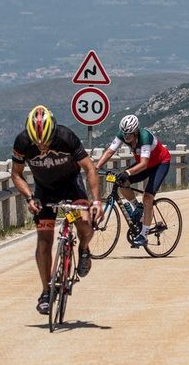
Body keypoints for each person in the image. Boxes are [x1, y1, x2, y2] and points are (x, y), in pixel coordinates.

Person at [11, 105, 102, 315]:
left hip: (71, 185)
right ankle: (45, 291)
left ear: (54, 132)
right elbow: (16, 174)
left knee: (86, 225)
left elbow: (89, 168)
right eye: (37, 143)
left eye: (47, 142)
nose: (42, 147)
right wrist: (29, 197)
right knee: (44, 240)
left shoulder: (66, 137)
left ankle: (84, 249)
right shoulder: (23, 142)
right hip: (44, 190)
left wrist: (96, 201)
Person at [94, 114, 172, 248]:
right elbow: (109, 152)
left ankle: (143, 235)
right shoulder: (122, 134)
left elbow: (144, 163)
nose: (126, 137)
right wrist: (96, 167)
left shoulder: (145, 137)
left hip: (160, 164)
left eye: (129, 134)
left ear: (135, 131)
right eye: (124, 133)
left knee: (147, 197)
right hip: (145, 165)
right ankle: (137, 207)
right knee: (122, 182)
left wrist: (127, 172)